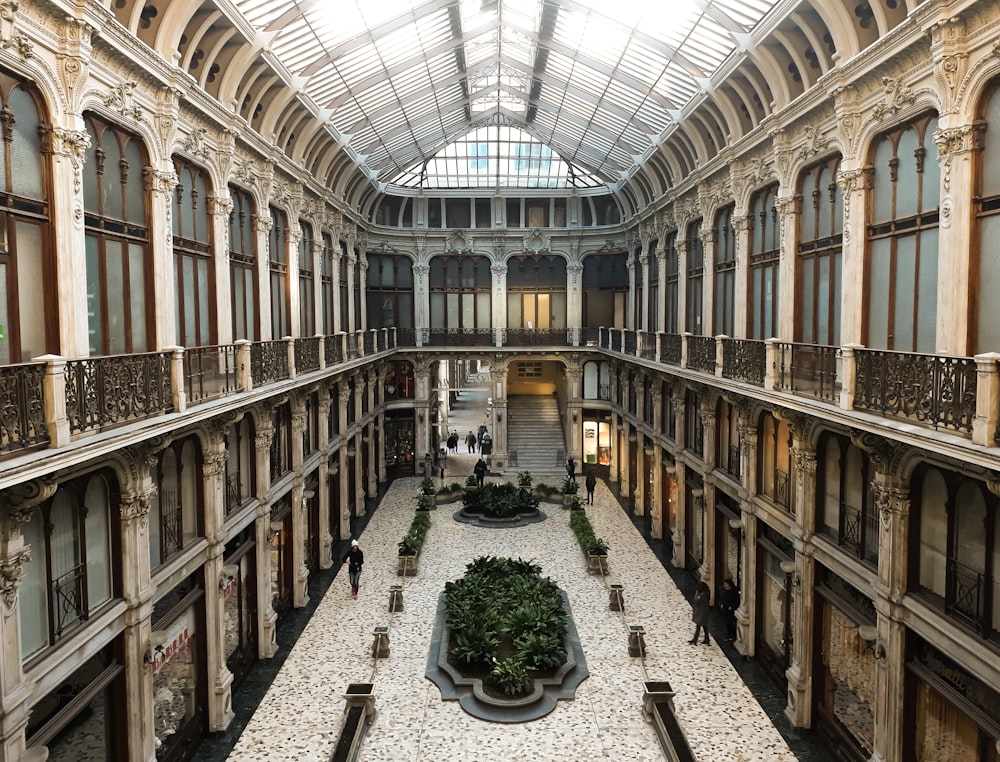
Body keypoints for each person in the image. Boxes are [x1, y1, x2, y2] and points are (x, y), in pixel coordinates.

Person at [689, 581, 711, 645]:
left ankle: (695, 640)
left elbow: (697, 601)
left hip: (701, 612)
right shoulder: (706, 593)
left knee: (698, 626)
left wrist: (696, 593)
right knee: (704, 626)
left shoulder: (702, 595)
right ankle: (707, 639)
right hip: (703, 612)